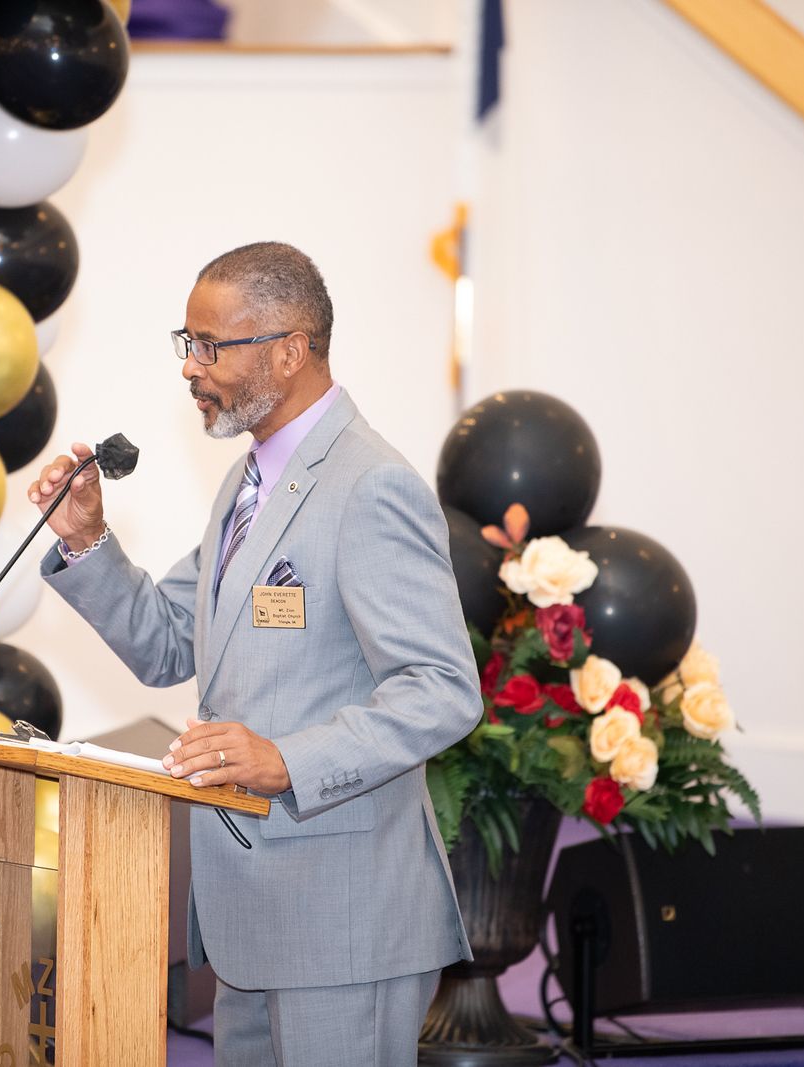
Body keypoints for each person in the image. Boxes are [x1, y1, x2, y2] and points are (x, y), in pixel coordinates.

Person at [28, 242, 481, 1066]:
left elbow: (443, 688)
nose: (190, 367)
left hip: (343, 922)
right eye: (188, 343)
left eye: (211, 346)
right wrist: (88, 538)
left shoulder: (370, 485)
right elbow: (169, 643)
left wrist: (286, 759)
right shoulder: (248, 485)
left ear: (289, 350)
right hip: (250, 921)